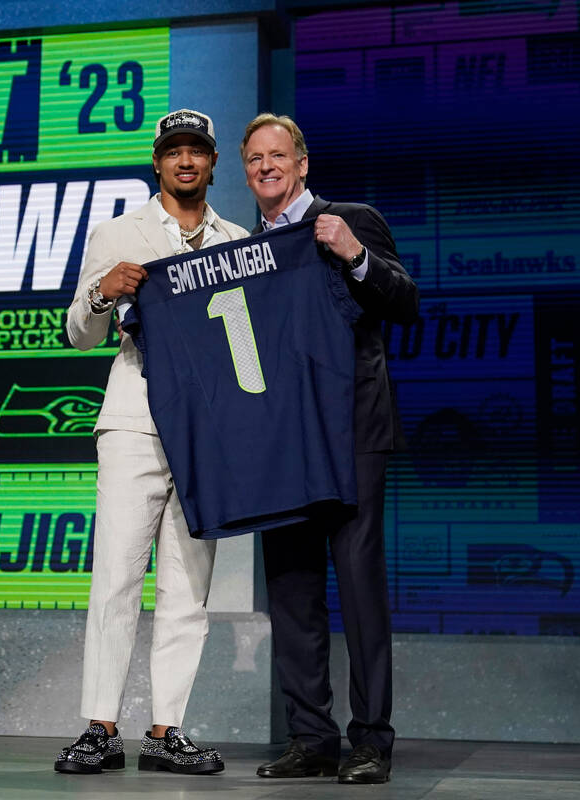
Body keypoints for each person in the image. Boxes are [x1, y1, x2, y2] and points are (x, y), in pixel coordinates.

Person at [53, 109, 249, 775]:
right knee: (114, 578)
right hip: (135, 420)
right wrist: (103, 295)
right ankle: (100, 726)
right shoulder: (118, 233)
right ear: (157, 162)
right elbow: (78, 333)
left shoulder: (239, 240)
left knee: (188, 588)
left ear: (214, 163)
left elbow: (247, 346)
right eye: (174, 151)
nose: (185, 161)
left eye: (197, 150)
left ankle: (167, 731)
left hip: (207, 431)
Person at [241, 113, 419, 784]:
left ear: (302, 163)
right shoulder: (243, 249)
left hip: (352, 435)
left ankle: (371, 739)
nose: (266, 166)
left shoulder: (350, 220)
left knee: (360, 586)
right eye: (254, 158)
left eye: (277, 155)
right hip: (282, 444)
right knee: (290, 590)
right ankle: (310, 739)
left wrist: (355, 254)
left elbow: (405, 303)